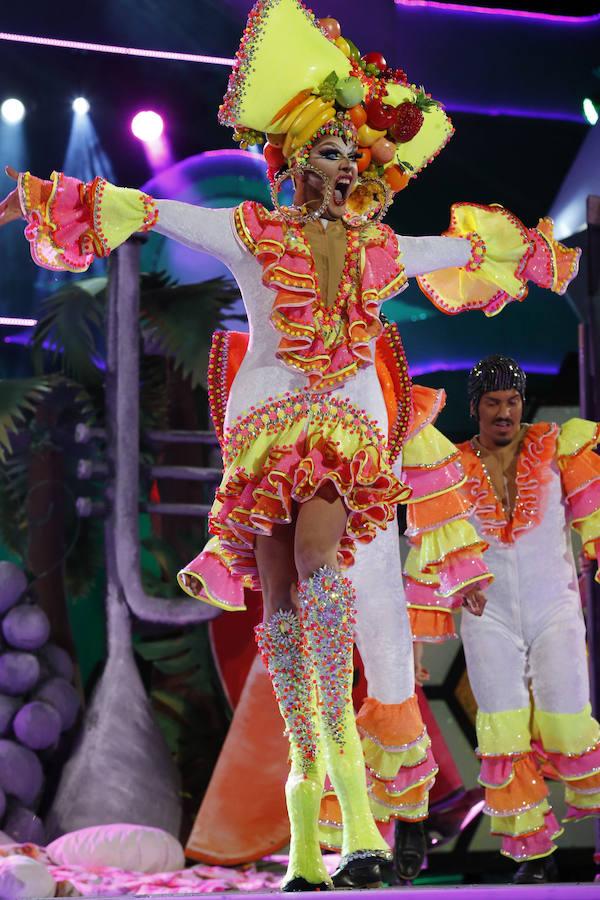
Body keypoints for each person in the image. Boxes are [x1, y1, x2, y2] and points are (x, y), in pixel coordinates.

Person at [0, 0, 580, 889]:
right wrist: (59, 197)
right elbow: (153, 211)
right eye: (326, 151)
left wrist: (536, 251)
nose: (340, 164)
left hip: (342, 440)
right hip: (264, 440)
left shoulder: (379, 250)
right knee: (282, 628)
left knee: (318, 570)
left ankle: (366, 806)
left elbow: (458, 247)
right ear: (293, 160)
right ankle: (321, 822)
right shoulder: (252, 233)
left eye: (350, 154)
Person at [406, 355, 600, 884]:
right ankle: (533, 855)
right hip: (487, 616)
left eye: (512, 401)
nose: (504, 411)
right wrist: (418, 648)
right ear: (476, 408)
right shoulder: (449, 467)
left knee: (570, 718)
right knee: (503, 726)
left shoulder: (559, 448)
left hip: (554, 606)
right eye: (493, 402)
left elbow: (592, 514)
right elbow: (430, 552)